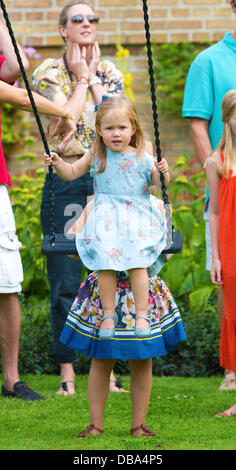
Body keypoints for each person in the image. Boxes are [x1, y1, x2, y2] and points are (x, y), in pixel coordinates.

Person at [32, 0, 124, 395]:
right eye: (78, 19)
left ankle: (110, 373)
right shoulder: (49, 72)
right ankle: (68, 374)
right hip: (67, 180)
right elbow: (63, 120)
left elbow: (119, 123)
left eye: (92, 19)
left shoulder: (110, 71)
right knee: (66, 279)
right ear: (62, 30)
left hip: (107, 182)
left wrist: (96, 81)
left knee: (111, 277)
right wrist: (82, 79)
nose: (87, 24)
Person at [44, 95, 170, 337]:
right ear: (99, 130)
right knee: (105, 263)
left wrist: (162, 172)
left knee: (138, 262)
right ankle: (108, 315)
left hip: (137, 216)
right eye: (109, 128)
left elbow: (158, 184)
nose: (116, 133)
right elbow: (70, 173)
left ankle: (142, 316)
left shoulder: (143, 156)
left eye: (121, 128)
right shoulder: (96, 156)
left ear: (133, 128)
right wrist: (58, 163)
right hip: (105, 218)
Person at [182, 0, 236, 390]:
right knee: (228, 281)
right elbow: (199, 127)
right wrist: (217, 177)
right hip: (227, 191)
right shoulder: (208, 61)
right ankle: (232, 370)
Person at [205, 89, 236, 417]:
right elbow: (214, 212)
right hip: (231, 248)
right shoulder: (216, 162)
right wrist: (216, 256)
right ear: (227, 119)